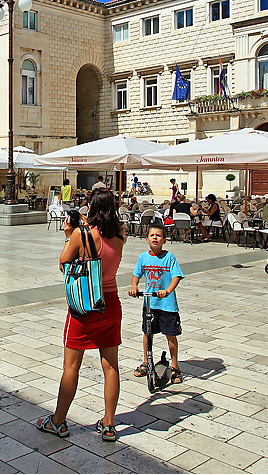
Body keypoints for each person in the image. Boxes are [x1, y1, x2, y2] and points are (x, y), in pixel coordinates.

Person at [35, 189, 126, 443]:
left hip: (84, 306)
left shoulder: (80, 234)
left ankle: (58, 421)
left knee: (71, 366)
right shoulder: (120, 233)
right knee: (111, 366)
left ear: (91, 208)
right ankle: (109, 424)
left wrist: (69, 236)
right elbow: (104, 241)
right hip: (110, 303)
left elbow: (63, 264)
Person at [129, 222, 185, 385]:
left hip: (167, 305)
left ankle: (174, 366)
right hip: (150, 304)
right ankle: (146, 362)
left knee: (171, 334)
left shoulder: (169, 257)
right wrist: (134, 287)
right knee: (148, 333)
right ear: (147, 239)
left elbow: (176, 276)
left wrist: (167, 290)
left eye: (158, 235)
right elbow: (136, 275)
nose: (155, 238)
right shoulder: (143, 257)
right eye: (152, 235)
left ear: (164, 240)